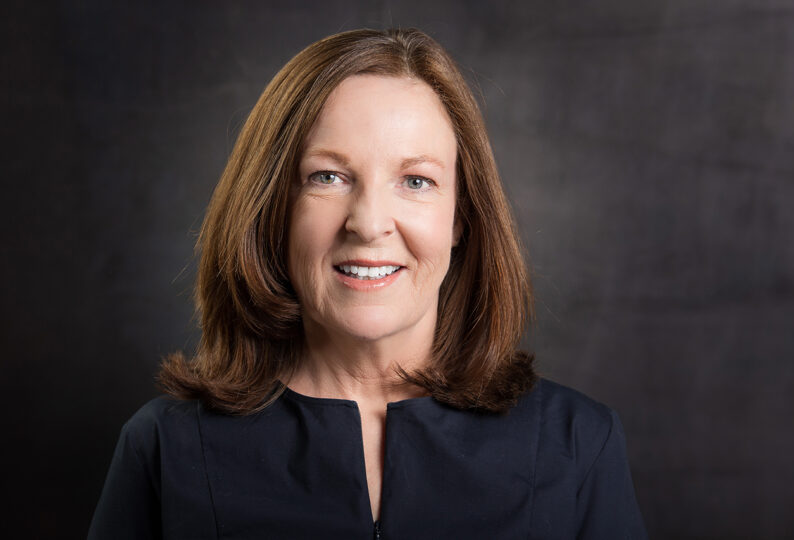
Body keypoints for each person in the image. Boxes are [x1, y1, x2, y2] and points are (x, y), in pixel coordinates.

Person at [88, 28, 647, 539]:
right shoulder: (165, 447)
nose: (368, 221)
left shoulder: (578, 445)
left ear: (460, 218)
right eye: (327, 176)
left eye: (416, 180)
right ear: (274, 209)